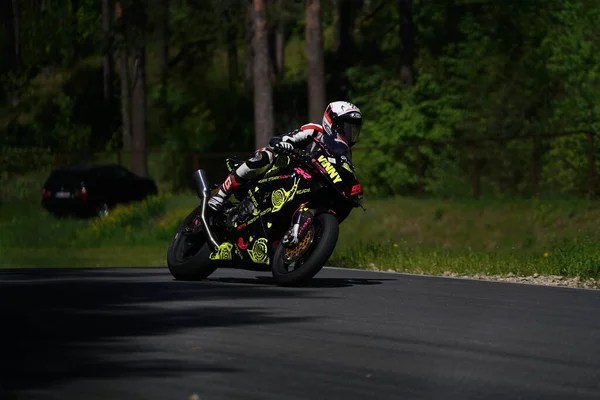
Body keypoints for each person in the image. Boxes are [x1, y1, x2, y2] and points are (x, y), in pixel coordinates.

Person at [207, 100, 363, 212]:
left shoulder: (345, 153)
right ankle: (220, 195)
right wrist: (285, 143)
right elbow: (284, 138)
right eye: (346, 128)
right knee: (265, 155)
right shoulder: (315, 131)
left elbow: (346, 172)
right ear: (333, 123)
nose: (350, 134)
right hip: (287, 170)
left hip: (311, 185)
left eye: (353, 129)